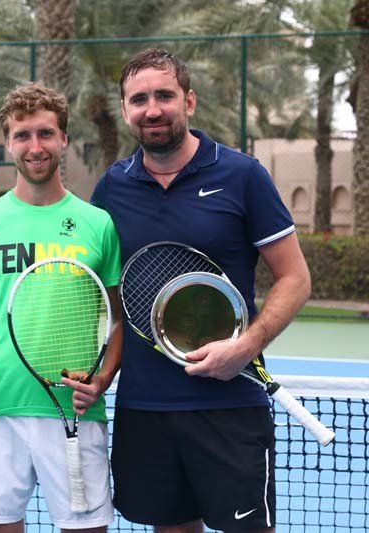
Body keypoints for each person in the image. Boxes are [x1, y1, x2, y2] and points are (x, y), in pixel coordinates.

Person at [89, 48, 311, 533]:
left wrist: (245, 347)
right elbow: (84, 263)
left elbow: (295, 278)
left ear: (188, 101)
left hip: (231, 405)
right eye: (139, 99)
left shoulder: (243, 175)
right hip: (145, 406)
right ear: (125, 110)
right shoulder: (113, 187)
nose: (152, 109)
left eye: (164, 96)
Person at [0, 82, 123, 533]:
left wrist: (102, 379)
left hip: (74, 411)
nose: (35, 146)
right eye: (22, 135)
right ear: (8, 143)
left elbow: (115, 319)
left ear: (63, 138)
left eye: (45, 134)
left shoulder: (98, 224)